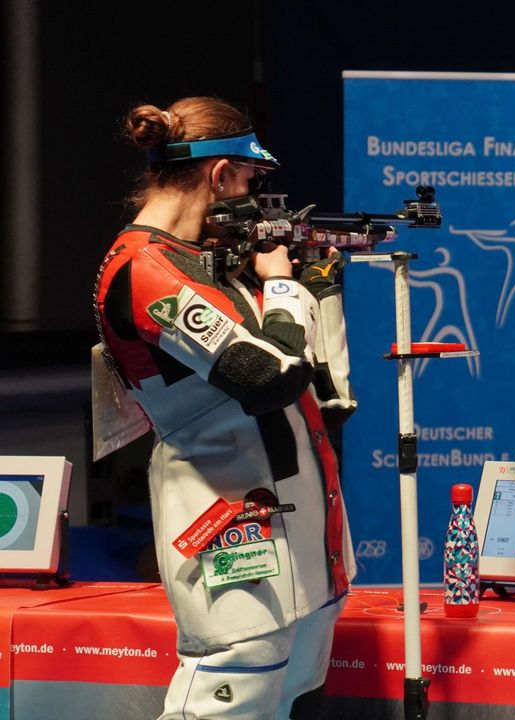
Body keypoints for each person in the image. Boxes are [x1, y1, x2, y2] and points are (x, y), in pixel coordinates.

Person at [92, 96, 357, 719]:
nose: (252, 198)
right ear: (220, 174)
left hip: (300, 534)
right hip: (231, 528)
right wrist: (283, 283)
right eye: (249, 180)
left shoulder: (209, 262)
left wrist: (317, 290)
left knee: (283, 703)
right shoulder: (146, 269)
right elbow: (269, 378)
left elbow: (324, 396)